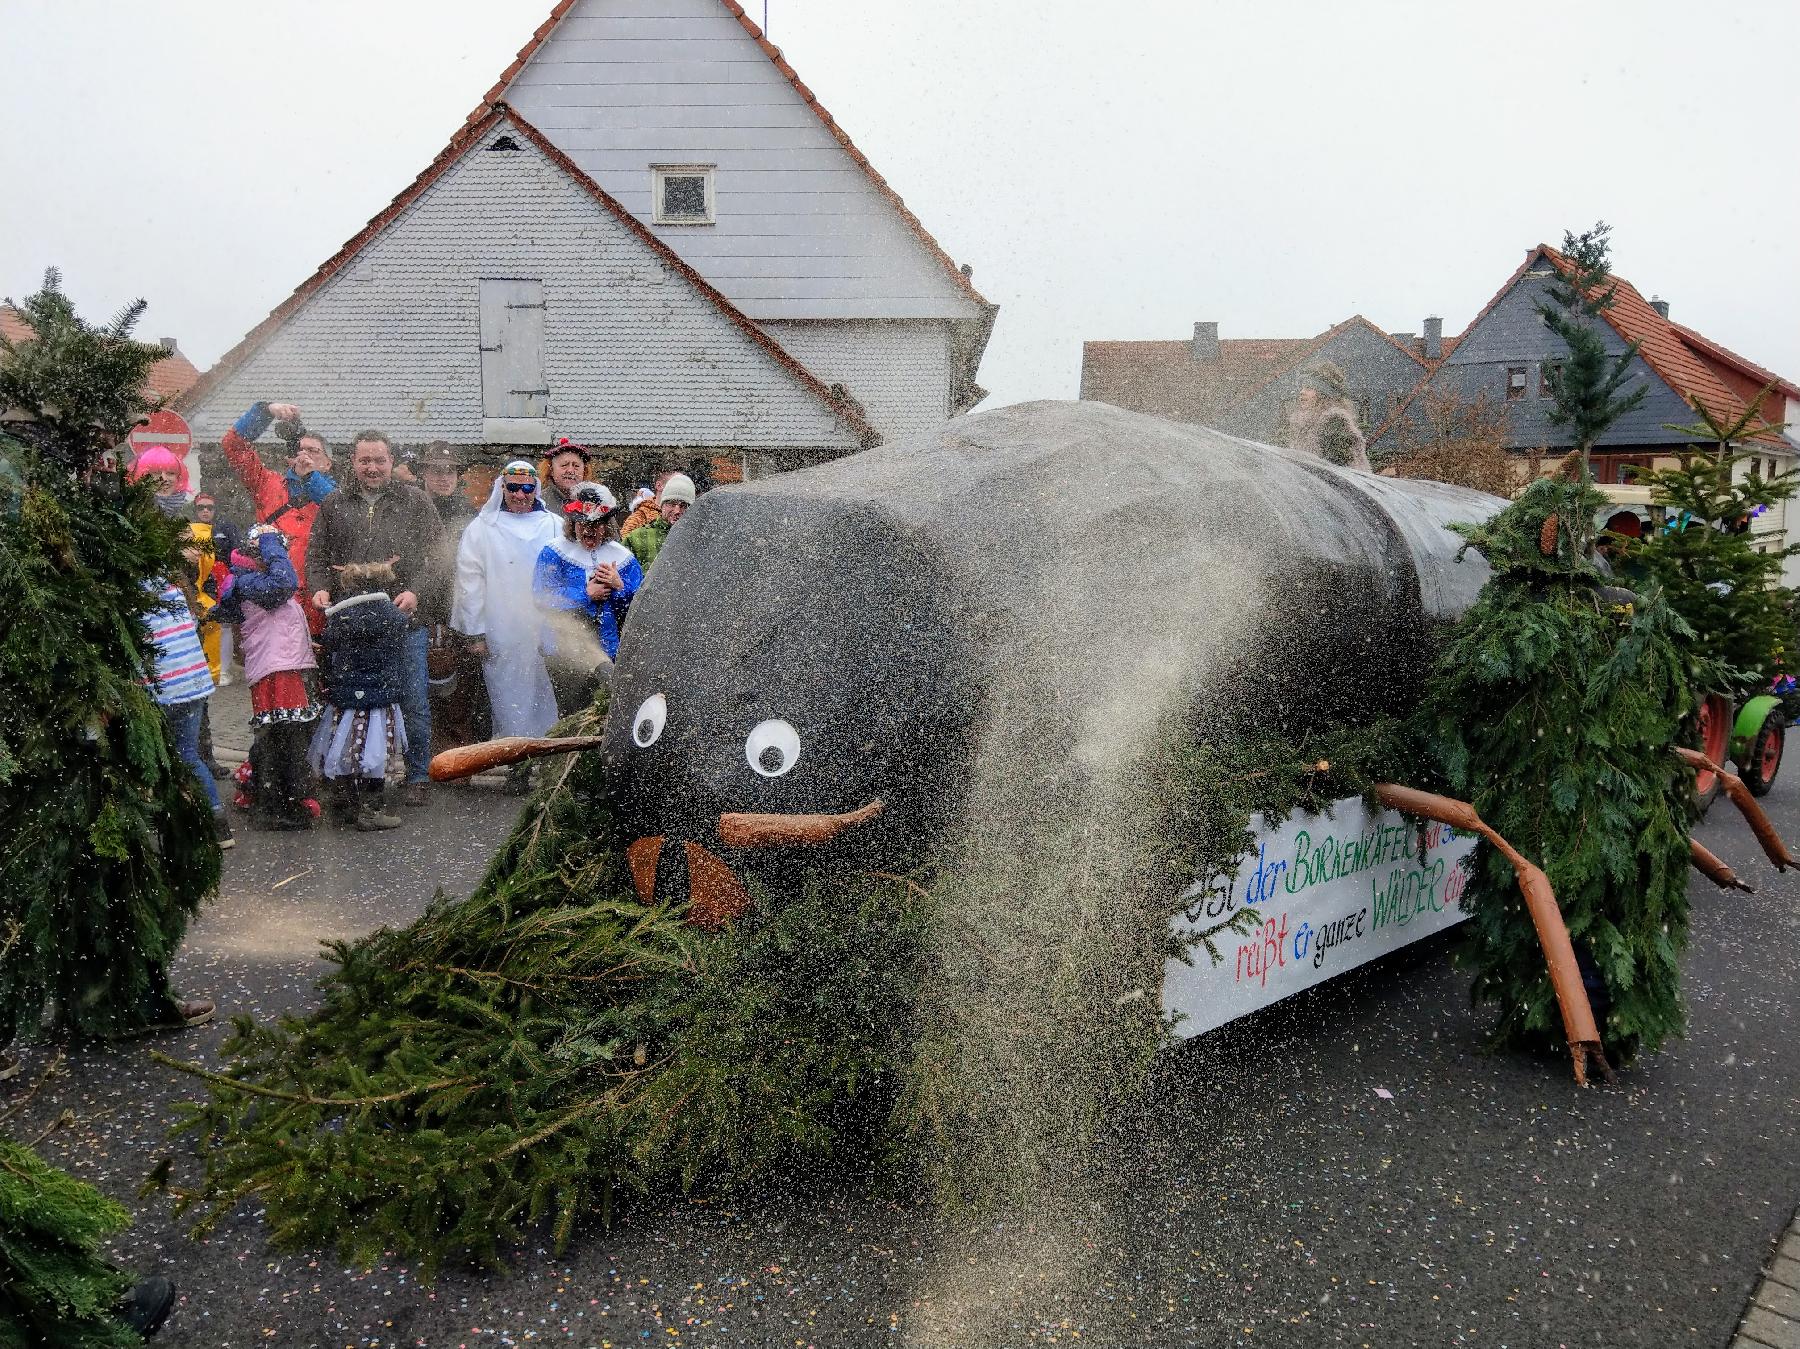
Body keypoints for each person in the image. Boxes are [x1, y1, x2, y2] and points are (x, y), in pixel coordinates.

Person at [306, 429, 445, 807]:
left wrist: (416, 591)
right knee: (351, 699)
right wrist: (319, 587)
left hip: (404, 621)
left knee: (413, 698)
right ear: (353, 462)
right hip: (351, 625)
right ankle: (351, 774)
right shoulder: (334, 503)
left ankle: (417, 775)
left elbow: (437, 559)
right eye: (364, 460)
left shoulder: (415, 502)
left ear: (391, 461)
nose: (372, 468)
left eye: (379, 460)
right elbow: (316, 555)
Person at [213, 524, 320, 831]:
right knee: (283, 737)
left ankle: (273, 796)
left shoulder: (252, 580)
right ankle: (278, 804)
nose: (280, 559)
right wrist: (272, 542)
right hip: (276, 671)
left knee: (281, 735)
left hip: (282, 666)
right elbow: (286, 583)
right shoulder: (251, 581)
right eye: (275, 555)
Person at [452, 460, 561, 741]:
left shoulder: (553, 525)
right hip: (500, 633)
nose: (521, 495)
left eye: (527, 488)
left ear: (536, 489)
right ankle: (515, 762)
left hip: (542, 633)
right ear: (502, 488)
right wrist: (476, 631)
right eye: (513, 488)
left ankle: (544, 758)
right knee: (508, 701)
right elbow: (470, 583)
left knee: (545, 698)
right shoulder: (482, 529)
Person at [219, 400, 336, 634]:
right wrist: (265, 411)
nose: (304, 456)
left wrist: (309, 477)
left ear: (327, 463)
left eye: (313, 451)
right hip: (272, 611)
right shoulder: (267, 484)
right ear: (288, 458)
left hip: (319, 609)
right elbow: (234, 447)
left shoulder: (336, 496)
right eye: (299, 450)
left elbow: (336, 508)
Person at [309, 561, 408, 831]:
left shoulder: (339, 618)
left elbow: (330, 651)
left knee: (344, 749)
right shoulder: (394, 617)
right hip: (380, 697)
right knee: (375, 755)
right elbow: (398, 655)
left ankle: (344, 805)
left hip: (346, 698)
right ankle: (370, 810)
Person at [533, 481, 643, 713]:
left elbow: (639, 609)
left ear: (607, 525)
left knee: (606, 715)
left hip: (610, 651)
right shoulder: (554, 552)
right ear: (572, 523)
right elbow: (542, 599)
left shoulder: (622, 558)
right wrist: (586, 594)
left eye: (595, 523)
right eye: (581, 523)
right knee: (572, 715)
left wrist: (619, 586)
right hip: (564, 653)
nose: (588, 529)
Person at [142, 574, 231, 849]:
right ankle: (219, 825)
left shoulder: (136, 596)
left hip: (164, 688)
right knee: (188, 753)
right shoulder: (177, 590)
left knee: (153, 753)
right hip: (194, 683)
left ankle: (160, 814)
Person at [417, 441, 486, 750]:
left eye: (450, 472)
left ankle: (458, 760)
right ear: (424, 473)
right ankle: (427, 761)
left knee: (460, 693)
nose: (443, 478)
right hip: (419, 613)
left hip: (459, 615)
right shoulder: (411, 510)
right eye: (436, 471)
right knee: (422, 695)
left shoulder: (472, 516)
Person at [1283, 362, 1371, 471]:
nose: (1302, 392)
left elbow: (1337, 469)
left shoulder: (1334, 421)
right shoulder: (1300, 423)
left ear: (1323, 394)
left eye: (1309, 388)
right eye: (1302, 388)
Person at [623, 472, 695, 570]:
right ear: (662, 505)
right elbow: (623, 576)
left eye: (683, 506)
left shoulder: (698, 538)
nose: (677, 511)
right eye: (672, 504)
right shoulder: (638, 537)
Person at [128, 445, 191, 518]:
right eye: (156, 473)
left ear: (179, 477)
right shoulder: (131, 510)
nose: (164, 478)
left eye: (171, 473)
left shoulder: (191, 512)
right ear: (142, 476)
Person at [539, 438, 591, 517]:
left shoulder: (595, 501)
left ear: (584, 471)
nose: (570, 470)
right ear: (551, 470)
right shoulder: (538, 502)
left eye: (576, 466)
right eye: (564, 465)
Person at [619, 474, 670, 538]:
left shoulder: (683, 514)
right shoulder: (639, 517)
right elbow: (625, 541)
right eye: (673, 484)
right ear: (659, 485)